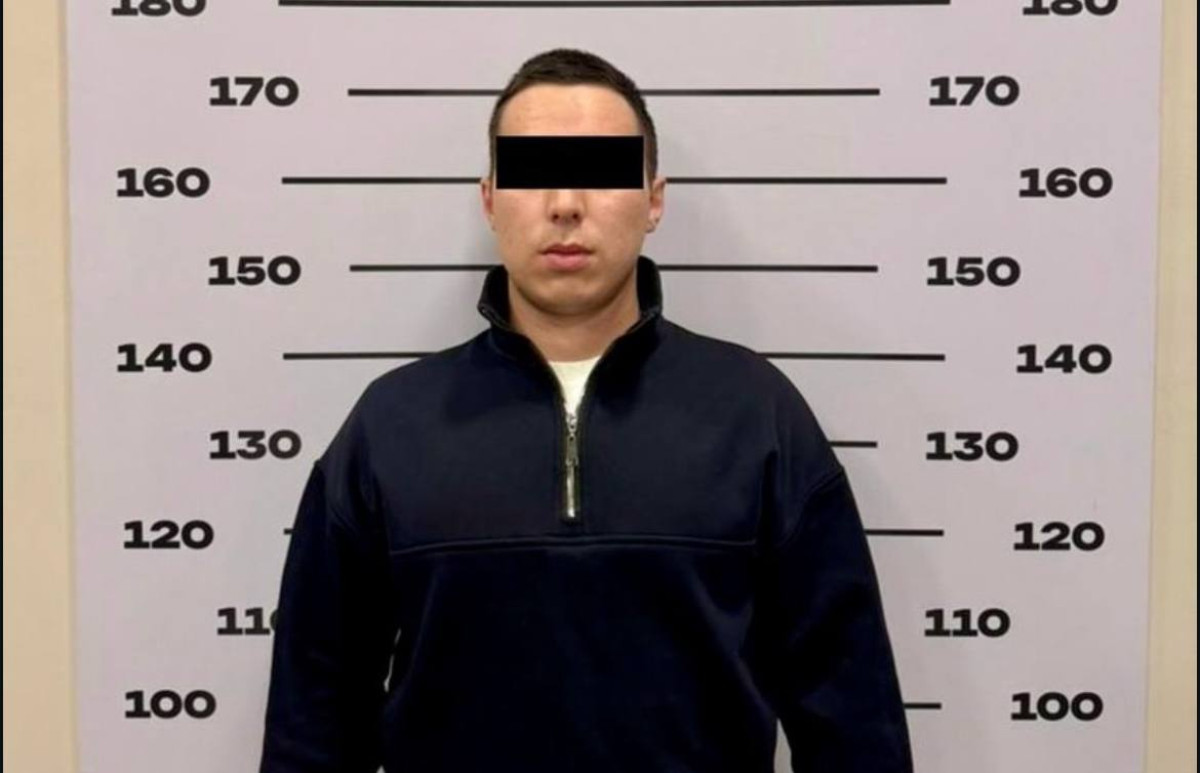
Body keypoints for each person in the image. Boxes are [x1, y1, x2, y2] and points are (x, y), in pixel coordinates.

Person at [259, 47, 914, 773]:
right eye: (532, 172)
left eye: (600, 171)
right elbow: (312, 720)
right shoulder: (391, 426)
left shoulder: (756, 414)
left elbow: (852, 718)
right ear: (490, 201)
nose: (565, 203)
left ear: (654, 200)